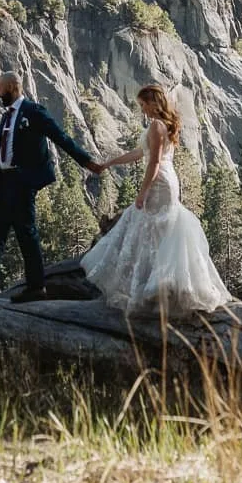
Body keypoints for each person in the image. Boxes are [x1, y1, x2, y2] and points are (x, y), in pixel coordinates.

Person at [82, 84, 230, 317]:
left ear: (153, 103)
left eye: (143, 105)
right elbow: (139, 153)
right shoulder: (162, 125)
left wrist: (142, 193)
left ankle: (156, 288)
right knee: (158, 232)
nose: (142, 110)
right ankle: (158, 287)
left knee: (151, 229)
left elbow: (154, 163)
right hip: (166, 180)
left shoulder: (156, 125)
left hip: (159, 182)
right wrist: (110, 163)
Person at [0, 71, 100, 301]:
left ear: (12, 87)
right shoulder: (6, 118)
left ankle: (37, 287)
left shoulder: (33, 112)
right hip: (3, 184)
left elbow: (61, 137)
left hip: (22, 183)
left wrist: (86, 161)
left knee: (26, 233)